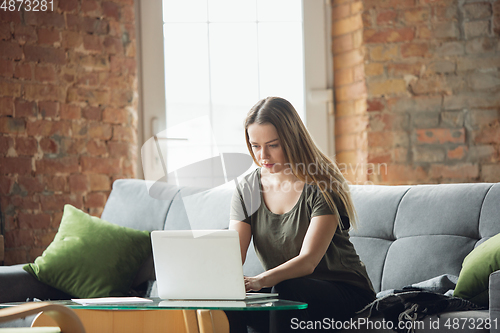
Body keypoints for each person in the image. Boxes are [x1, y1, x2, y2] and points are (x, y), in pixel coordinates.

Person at [227, 97, 375, 333]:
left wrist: (261, 280)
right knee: (231, 297)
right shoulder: (248, 188)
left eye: (273, 145)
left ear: (291, 139)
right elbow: (232, 255)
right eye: (255, 146)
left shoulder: (322, 184)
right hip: (284, 288)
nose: (263, 155)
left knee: (286, 292)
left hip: (345, 291)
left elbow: (308, 261)